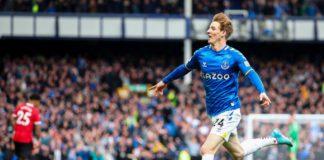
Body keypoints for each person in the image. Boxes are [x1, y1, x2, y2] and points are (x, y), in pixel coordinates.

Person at [148, 12, 292, 160]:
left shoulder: (234, 56)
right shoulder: (201, 54)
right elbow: (184, 68)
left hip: (229, 111)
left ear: (223, 33)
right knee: (239, 153)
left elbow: (251, 73)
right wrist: (164, 82)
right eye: (209, 28)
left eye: (213, 28)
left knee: (206, 150)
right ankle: (274, 139)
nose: (208, 31)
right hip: (214, 114)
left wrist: (261, 91)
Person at [11, 94, 42, 160]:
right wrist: (38, 138)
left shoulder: (20, 107)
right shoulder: (35, 111)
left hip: (16, 136)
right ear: (36, 101)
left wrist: (16, 127)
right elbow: (37, 130)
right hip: (26, 138)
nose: (39, 104)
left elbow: (12, 118)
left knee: (16, 154)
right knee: (25, 157)